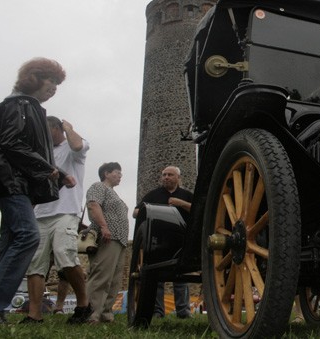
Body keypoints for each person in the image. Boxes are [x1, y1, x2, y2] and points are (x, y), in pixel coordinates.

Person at [0, 58, 76, 324]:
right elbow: (10, 143)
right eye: (51, 80)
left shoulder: (28, 107)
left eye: (57, 83)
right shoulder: (18, 105)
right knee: (28, 236)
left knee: (10, 241)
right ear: (34, 78)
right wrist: (45, 168)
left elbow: (25, 148)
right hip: (12, 183)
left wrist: (61, 174)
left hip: (18, 182)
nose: (54, 87)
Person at [24, 116, 92, 324]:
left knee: (65, 254)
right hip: (40, 213)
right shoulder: (42, 153)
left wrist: (68, 127)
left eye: (44, 130)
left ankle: (83, 304)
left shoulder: (72, 149)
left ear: (55, 128)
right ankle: (34, 314)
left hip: (65, 211)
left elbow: (79, 145)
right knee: (35, 263)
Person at [133, 166, 193, 318]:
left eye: (170, 175)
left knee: (180, 278)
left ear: (178, 178)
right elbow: (135, 212)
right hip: (158, 241)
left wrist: (181, 203)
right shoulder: (153, 195)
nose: (166, 177)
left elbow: (198, 211)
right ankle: (158, 311)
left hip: (181, 240)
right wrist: (149, 210)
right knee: (157, 278)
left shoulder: (186, 195)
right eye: (164, 174)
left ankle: (183, 311)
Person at [85, 162, 129, 324]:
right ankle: (90, 313)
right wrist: (104, 226)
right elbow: (93, 204)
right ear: (106, 173)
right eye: (117, 172)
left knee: (114, 279)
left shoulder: (114, 193)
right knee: (101, 276)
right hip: (107, 237)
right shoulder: (98, 187)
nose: (120, 176)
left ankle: (105, 313)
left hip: (120, 240)